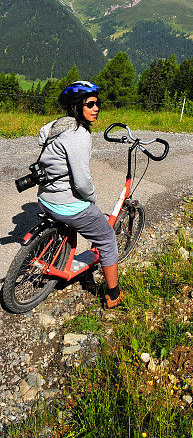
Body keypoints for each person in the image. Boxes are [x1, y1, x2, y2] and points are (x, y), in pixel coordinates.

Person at [37, 81, 123, 309]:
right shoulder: (78, 134)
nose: (96, 108)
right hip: (66, 205)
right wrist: (92, 198)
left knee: (80, 219)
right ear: (76, 107)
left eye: (98, 104)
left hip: (45, 198)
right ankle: (113, 293)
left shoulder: (57, 127)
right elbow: (83, 183)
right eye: (91, 104)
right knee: (106, 238)